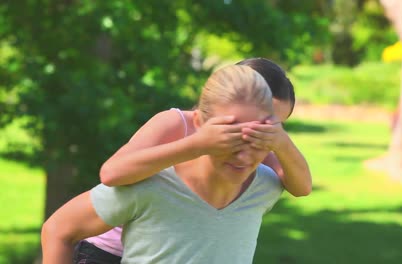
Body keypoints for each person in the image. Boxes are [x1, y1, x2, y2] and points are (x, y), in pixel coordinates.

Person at [42, 65, 292, 263]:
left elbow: (299, 184)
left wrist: (280, 143)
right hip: (105, 248)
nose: (259, 134)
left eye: (274, 125)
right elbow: (111, 173)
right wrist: (198, 145)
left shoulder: (254, 158)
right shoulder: (175, 124)